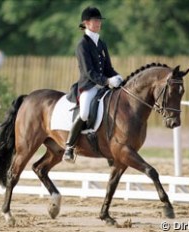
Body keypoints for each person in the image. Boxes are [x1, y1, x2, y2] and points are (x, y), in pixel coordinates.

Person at [64, 6, 123, 163]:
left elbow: (108, 68)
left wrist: (117, 77)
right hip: (88, 86)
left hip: (104, 86)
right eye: (95, 21)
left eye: (99, 21)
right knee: (84, 113)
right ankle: (69, 147)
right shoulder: (82, 45)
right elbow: (89, 71)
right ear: (86, 23)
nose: (98, 23)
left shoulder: (101, 44)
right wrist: (107, 81)